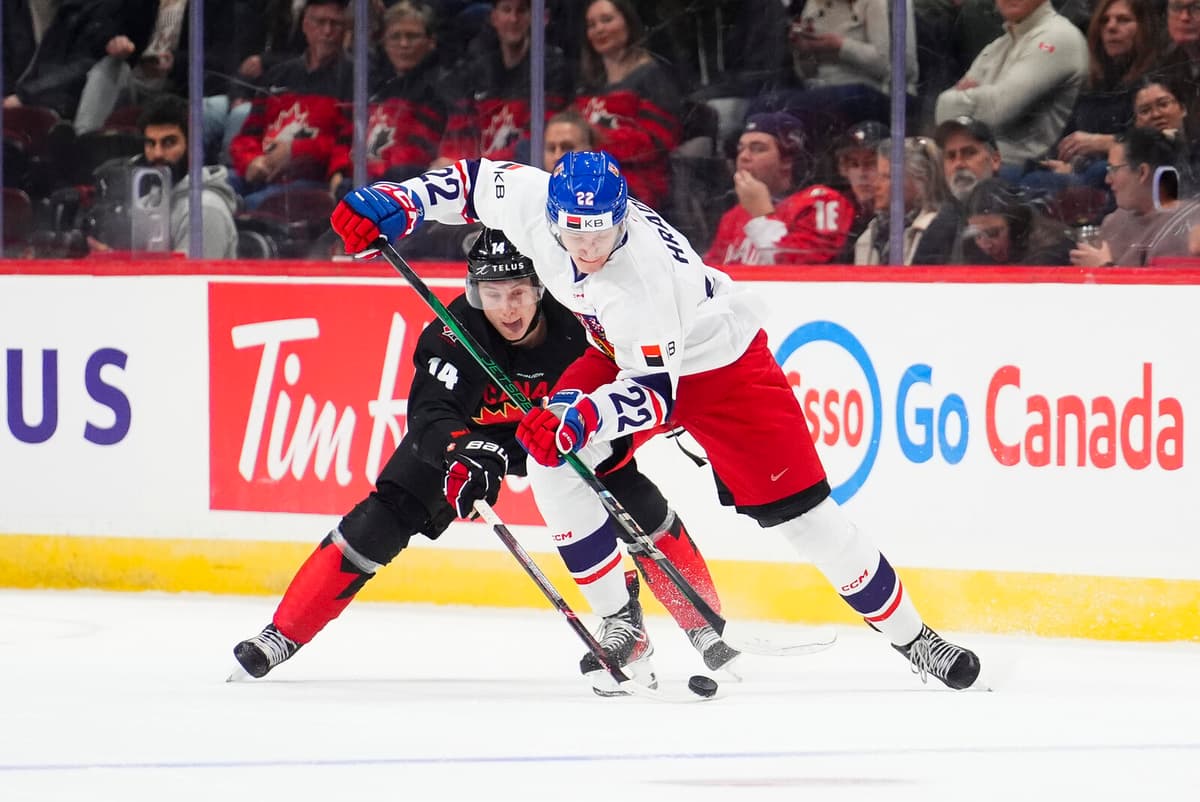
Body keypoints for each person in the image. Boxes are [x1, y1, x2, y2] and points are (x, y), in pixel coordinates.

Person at [328, 151, 984, 694]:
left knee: (808, 521)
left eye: (601, 231)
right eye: (575, 229)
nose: (586, 245)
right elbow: (471, 182)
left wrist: (580, 413)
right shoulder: (534, 201)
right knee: (553, 463)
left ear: (622, 220)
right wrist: (397, 202)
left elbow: (652, 396)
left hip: (723, 368)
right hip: (615, 353)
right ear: (554, 214)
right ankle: (623, 625)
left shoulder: (642, 276)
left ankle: (915, 639)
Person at [232, 228, 738, 687]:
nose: (508, 308)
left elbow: (633, 382)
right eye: (492, 294)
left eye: (518, 292)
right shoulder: (454, 333)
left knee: (627, 498)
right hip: (479, 442)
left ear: (541, 288)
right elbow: (430, 413)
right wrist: (464, 451)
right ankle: (283, 633)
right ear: (476, 291)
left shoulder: (578, 325)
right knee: (386, 512)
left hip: (564, 435)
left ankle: (688, 628)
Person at [1020, 0, 1164, 195]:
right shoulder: (1087, 81)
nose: (1111, 27)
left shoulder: (1157, 80)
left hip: (1125, 173)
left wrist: (1106, 142)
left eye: (1123, 20)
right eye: (1104, 21)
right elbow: (1063, 138)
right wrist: (1059, 163)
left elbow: (1163, 140)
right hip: (1079, 171)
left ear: (1144, 27)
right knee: (1015, 172)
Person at [934, 0, 1088, 174]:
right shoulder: (997, 46)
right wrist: (982, 98)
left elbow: (998, 108)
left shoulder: (1059, 36)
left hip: (1027, 174)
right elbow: (944, 119)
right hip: (985, 165)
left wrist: (950, 99)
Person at [228, 0, 353, 210]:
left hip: (309, 179)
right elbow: (249, 133)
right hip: (261, 170)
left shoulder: (354, 77)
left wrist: (298, 150)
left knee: (256, 204)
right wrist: (250, 160)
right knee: (208, 188)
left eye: (336, 24)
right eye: (320, 22)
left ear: (346, 30)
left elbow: (349, 144)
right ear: (305, 26)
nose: (327, 31)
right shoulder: (279, 74)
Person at [85, 94, 240, 257]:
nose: (157, 153)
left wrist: (115, 264)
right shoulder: (150, 202)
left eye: (169, 143)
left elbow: (188, 281)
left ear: (193, 147)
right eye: (150, 143)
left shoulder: (205, 210)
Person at [327, 1, 449, 198]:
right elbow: (347, 136)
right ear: (384, 43)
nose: (403, 44)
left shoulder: (441, 88)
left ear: (431, 41)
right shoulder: (373, 86)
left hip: (407, 192)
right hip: (362, 185)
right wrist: (338, 172)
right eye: (395, 36)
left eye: (412, 36)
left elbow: (416, 160)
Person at [569, 0, 683, 210]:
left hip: (636, 186)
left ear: (628, 22)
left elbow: (656, 143)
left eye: (607, 20)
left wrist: (590, 141)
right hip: (586, 177)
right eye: (592, 25)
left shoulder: (651, 75)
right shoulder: (587, 85)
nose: (599, 29)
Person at [704, 111, 855, 266]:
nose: (743, 157)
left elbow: (798, 271)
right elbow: (712, 273)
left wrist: (761, 215)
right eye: (741, 149)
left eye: (757, 149)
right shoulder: (733, 217)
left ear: (787, 160)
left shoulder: (821, 202)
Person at [435, 0, 571, 165]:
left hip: (520, 175)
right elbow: (458, 133)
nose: (513, 19)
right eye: (507, 10)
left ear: (538, 18)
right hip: (480, 176)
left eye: (521, 11)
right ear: (494, 18)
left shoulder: (551, 69)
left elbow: (537, 142)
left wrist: (477, 167)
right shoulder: (476, 71)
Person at [1070, 126, 1199, 266]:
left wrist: (1105, 269)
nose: (1107, 179)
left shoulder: (1188, 225)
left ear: (1142, 172)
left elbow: (1164, 287)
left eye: (1113, 170)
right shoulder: (1113, 221)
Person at [854, 137, 954, 265]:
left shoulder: (937, 230)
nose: (876, 184)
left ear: (920, 182)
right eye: (878, 175)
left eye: (887, 177)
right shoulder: (871, 233)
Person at [963, 178, 1073, 264]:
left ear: (1016, 228)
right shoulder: (974, 252)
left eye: (993, 233)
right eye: (978, 236)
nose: (986, 245)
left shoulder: (1051, 252)